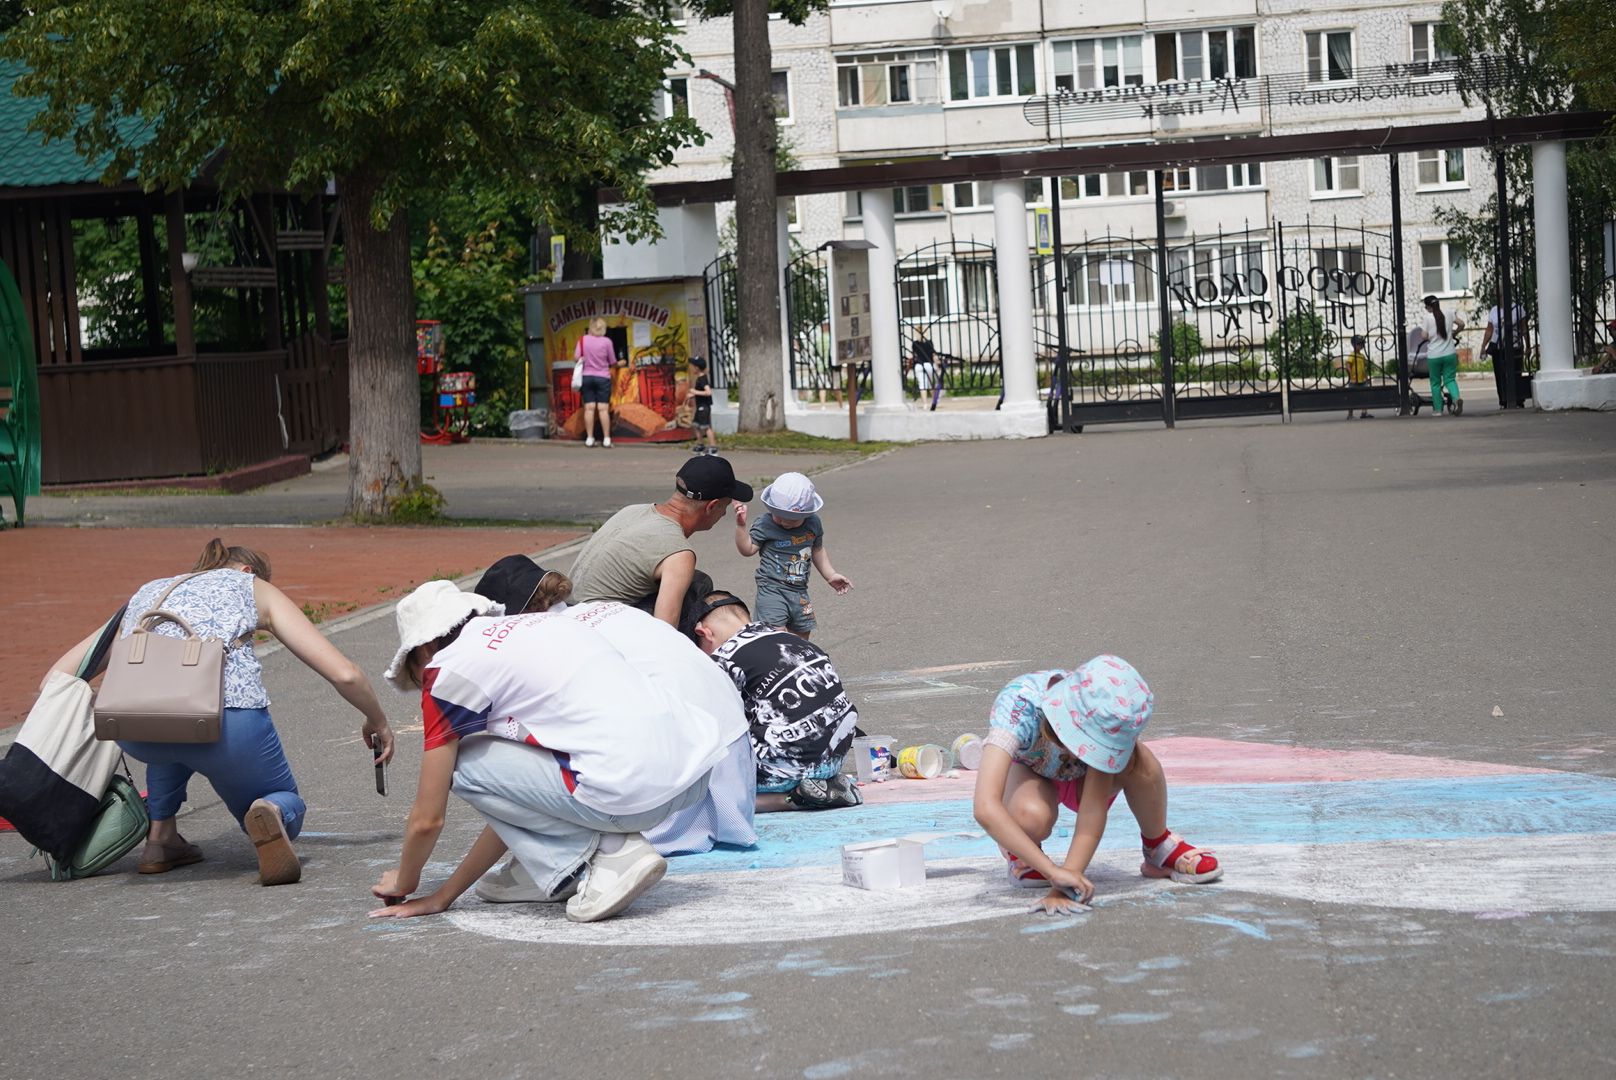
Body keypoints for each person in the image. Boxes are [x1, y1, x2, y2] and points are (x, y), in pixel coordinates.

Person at [369, 581, 740, 922]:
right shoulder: (543, 626)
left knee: (462, 761)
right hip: (691, 776)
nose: (421, 685)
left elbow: (427, 818)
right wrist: (446, 895)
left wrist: (405, 879)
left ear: (425, 650)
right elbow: (518, 806)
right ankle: (556, 867)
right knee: (494, 759)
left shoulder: (447, 672)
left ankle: (608, 855)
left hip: (632, 794)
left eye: (415, 675)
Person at [43, 538, 395, 887]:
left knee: (171, 718)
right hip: (231, 725)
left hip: (136, 731)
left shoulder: (151, 592)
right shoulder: (250, 586)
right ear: (249, 570)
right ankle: (271, 813)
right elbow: (344, 673)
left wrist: (108, 703)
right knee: (285, 801)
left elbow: (56, 677)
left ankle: (161, 837)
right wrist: (377, 719)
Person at [468, 566, 753, 896]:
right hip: (730, 766)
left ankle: (588, 857)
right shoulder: (606, 609)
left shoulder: (545, 644)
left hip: (675, 783)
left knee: (539, 756)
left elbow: (534, 776)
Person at [972, 656, 1221, 915]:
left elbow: (1092, 810)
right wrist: (1052, 871)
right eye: (1092, 746)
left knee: (1139, 761)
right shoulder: (1017, 708)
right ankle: (1021, 851)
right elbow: (985, 806)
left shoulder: (1104, 709)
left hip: (1080, 777)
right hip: (1030, 773)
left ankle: (1157, 845)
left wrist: (1066, 880)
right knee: (1030, 816)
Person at [690, 590, 862, 812]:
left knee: (698, 796)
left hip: (783, 771)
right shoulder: (794, 640)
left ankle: (793, 799)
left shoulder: (723, 658)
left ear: (704, 633)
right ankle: (822, 786)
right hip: (834, 758)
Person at [568, 454, 752, 632]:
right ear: (711, 506)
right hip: (595, 629)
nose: (724, 514)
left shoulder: (632, 511)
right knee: (698, 587)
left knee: (695, 579)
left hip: (566, 613)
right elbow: (664, 633)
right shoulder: (679, 555)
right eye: (725, 507)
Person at [733, 472, 851, 640]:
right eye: (779, 516)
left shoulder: (813, 523)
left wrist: (830, 575)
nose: (784, 522)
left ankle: (796, 664)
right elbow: (747, 549)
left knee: (802, 636)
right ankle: (773, 663)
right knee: (775, 636)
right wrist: (740, 526)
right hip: (772, 588)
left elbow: (817, 549)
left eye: (793, 519)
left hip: (800, 591)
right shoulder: (765, 524)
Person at [1417, 294, 1464, 416]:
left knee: (1435, 383)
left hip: (1434, 356)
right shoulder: (1448, 312)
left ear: (1428, 307)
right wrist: (1454, 332)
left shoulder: (1427, 318)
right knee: (1450, 379)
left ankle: (1438, 410)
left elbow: (1424, 336)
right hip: (1450, 354)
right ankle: (1456, 398)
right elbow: (1462, 324)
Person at [575, 316, 619, 448]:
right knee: (603, 409)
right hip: (603, 378)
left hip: (587, 377)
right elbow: (612, 361)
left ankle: (589, 438)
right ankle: (606, 439)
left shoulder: (583, 340)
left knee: (589, 408)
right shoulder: (607, 342)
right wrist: (620, 363)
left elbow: (576, 357)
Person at [1479, 296, 1529, 408]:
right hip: (1498, 347)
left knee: (1516, 373)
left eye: (1501, 296)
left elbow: (1524, 328)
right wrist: (1483, 346)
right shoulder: (1494, 310)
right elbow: (1489, 330)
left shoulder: (1518, 309)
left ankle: (1518, 399)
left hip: (1514, 345)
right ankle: (1503, 400)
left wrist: (1528, 346)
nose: (1500, 299)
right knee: (1500, 375)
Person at [688, 355, 717, 456]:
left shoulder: (702, 379)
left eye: (692, 366)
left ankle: (713, 448)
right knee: (696, 425)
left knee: (706, 427)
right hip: (700, 406)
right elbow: (700, 392)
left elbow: (708, 392)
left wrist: (695, 391)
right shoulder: (699, 378)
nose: (690, 368)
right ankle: (700, 444)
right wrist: (692, 395)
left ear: (696, 368)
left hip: (704, 407)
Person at [1344, 334, 1372, 419]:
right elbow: (1348, 365)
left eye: (1362, 344)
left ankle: (1364, 413)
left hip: (1362, 380)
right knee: (1351, 397)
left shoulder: (1362, 356)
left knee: (1364, 396)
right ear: (1354, 345)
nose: (1360, 346)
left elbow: (1364, 368)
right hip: (1354, 380)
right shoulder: (1352, 355)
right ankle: (1350, 414)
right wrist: (1351, 375)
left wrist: (1366, 378)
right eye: (1359, 344)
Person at [909, 327, 938, 410]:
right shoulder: (929, 343)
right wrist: (937, 365)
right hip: (929, 365)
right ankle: (934, 402)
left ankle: (925, 404)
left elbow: (914, 355)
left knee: (922, 385)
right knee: (931, 384)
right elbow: (933, 355)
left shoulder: (915, 344)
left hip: (919, 365)